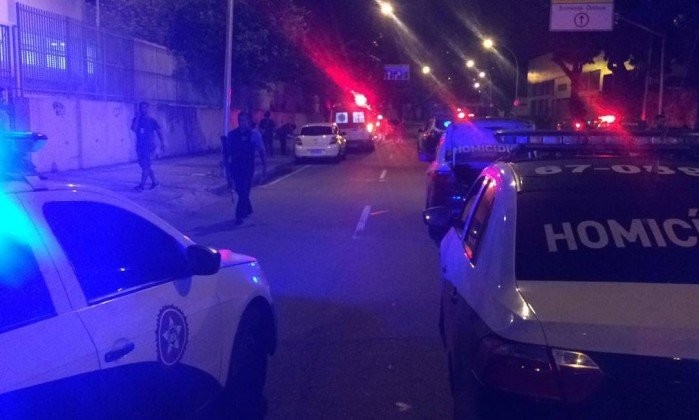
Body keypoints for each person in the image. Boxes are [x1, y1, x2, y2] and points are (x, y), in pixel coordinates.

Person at [224, 111, 267, 225]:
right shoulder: (232, 135)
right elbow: (227, 152)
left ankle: (239, 215)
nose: (241, 123)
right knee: (240, 190)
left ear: (248, 121)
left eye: (244, 120)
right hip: (235, 167)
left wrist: (264, 167)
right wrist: (225, 165)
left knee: (244, 191)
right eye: (240, 120)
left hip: (248, 167)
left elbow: (262, 151)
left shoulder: (254, 135)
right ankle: (248, 208)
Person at [130, 101, 165, 191]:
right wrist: (138, 117)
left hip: (149, 147)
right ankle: (155, 182)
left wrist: (162, 143)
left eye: (144, 107)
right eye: (141, 108)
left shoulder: (152, 120)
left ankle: (141, 186)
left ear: (147, 108)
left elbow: (159, 132)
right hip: (140, 146)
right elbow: (134, 129)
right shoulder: (136, 120)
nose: (143, 109)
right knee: (144, 165)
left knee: (145, 166)